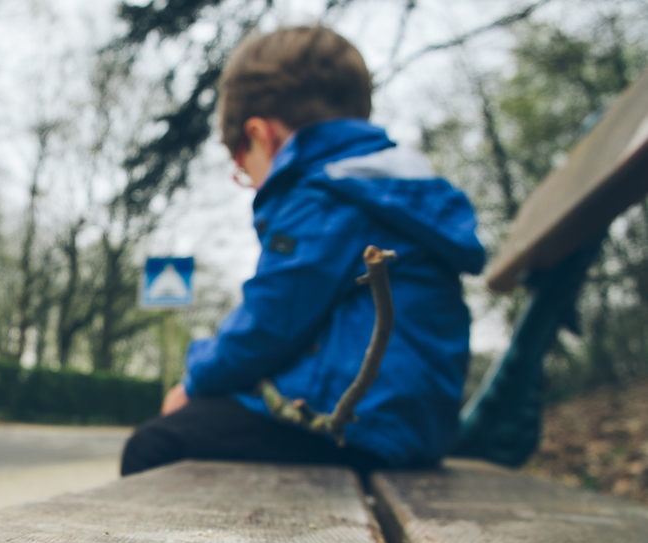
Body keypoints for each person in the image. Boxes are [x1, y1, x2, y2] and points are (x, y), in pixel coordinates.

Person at [121, 25, 485, 477]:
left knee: (156, 445)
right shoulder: (393, 189)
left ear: (261, 135)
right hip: (412, 426)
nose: (250, 181)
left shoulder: (324, 196)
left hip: (354, 425)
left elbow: (268, 325)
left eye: (242, 166)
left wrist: (192, 381)